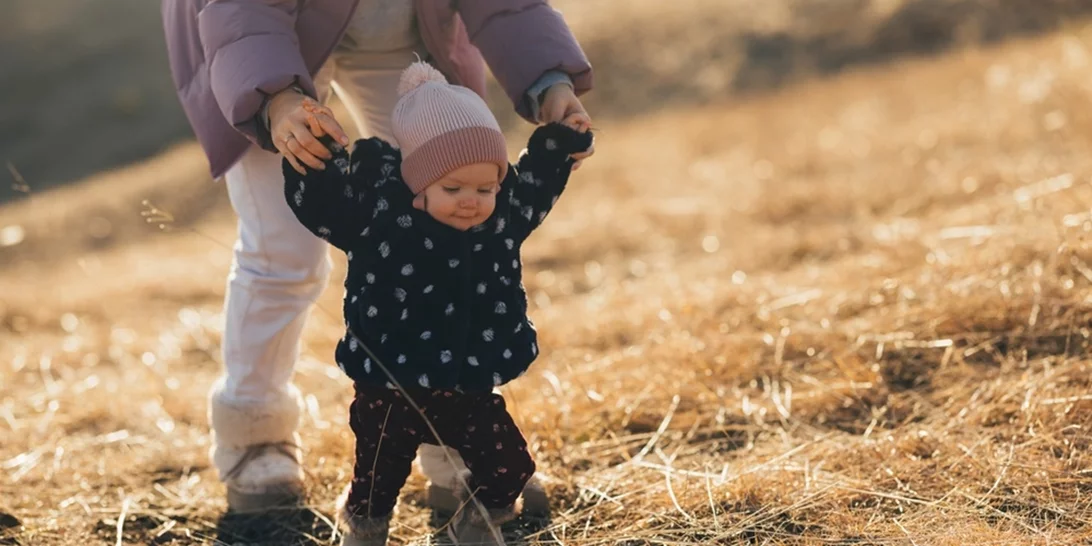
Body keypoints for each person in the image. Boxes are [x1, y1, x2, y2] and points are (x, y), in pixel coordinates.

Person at [160, 0, 594, 513]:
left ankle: (450, 427)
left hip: (400, 32)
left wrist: (548, 80)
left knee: (443, 224)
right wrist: (275, 100)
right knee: (283, 250)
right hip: (256, 34)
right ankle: (255, 434)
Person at [283, 61, 593, 546]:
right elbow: (322, 205)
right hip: (390, 385)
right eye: (452, 189)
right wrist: (317, 155)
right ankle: (365, 529)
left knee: (510, 468)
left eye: (485, 187)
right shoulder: (378, 216)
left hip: (467, 384)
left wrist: (560, 143)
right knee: (375, 483)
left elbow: (537, 182)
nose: (471, 201)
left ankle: (472, 524)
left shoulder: (501, 219)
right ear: (416, 181)